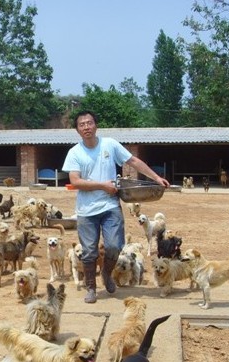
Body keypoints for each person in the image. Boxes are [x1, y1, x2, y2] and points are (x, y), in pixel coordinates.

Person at [62, 110, 170, 303]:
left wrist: (155, 177)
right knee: (89, 251)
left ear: (96, 125)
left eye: (89, 123)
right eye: (82, 124)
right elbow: (75, 181)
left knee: (114, 246)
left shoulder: (110, 145)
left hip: (110, 205)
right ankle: (91, 288)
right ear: (77, 130)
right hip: (86, 210)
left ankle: (106, 272)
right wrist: (103, 185)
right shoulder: (74, 153)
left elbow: (133, 161)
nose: (86, 127)